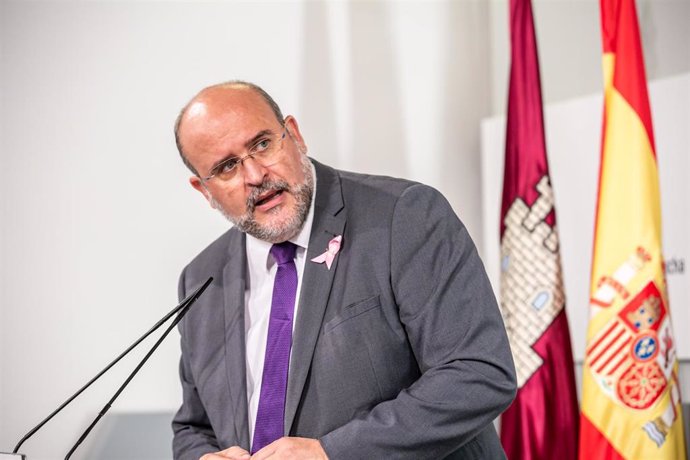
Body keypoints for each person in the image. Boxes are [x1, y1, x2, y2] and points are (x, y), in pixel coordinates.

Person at [172, 81, 516, 460]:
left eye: (262, 144)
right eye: (226, 167)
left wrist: (331, 453)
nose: (255, 175)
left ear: (296, 135)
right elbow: (194, 426)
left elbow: (477, 373)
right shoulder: (202, 279)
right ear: (204, 190)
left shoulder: (405, 216)